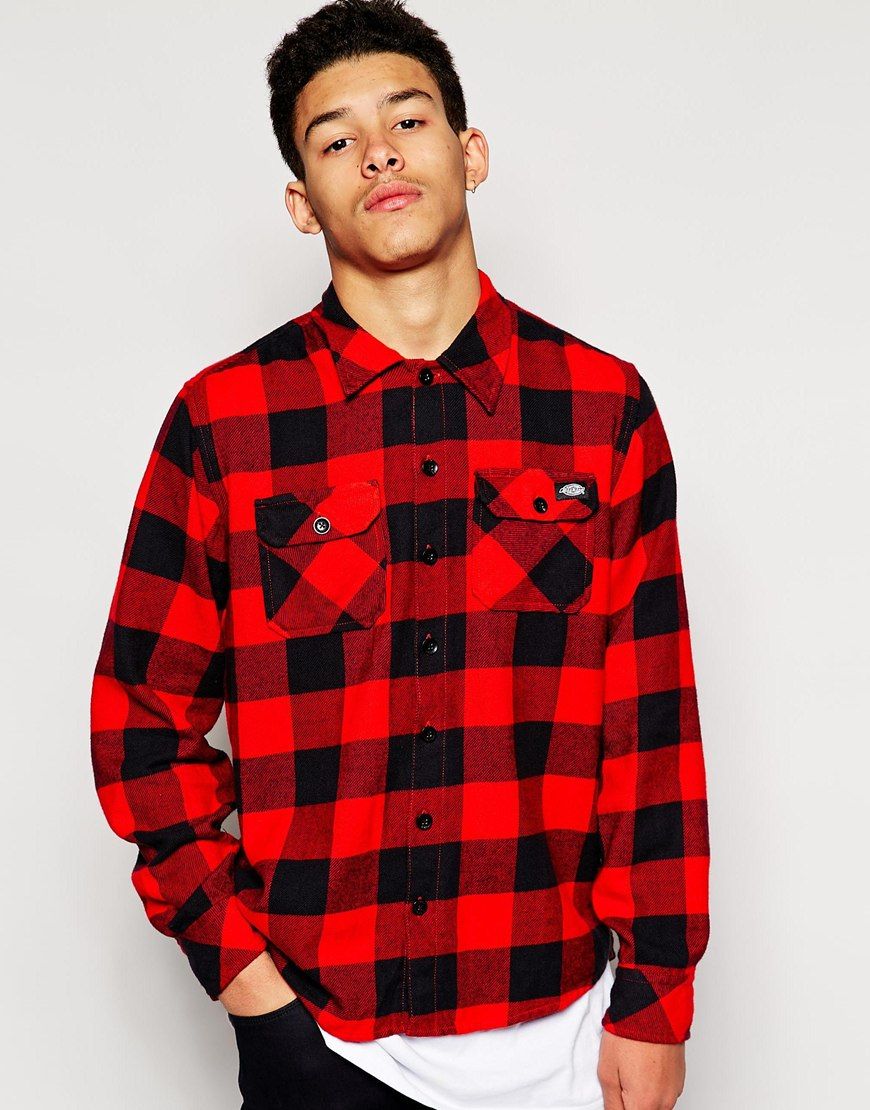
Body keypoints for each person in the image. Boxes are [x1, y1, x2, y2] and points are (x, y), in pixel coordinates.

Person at [89, 1, 711, 1107]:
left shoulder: (601, 410)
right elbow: (140, 723)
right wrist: (251, 992)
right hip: (325, 1041)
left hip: (570, 1034)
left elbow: (650, 726)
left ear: (471, 153)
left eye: (407, 120)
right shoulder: (224, 422)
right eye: (335, 140)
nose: (377, 152)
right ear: (302, 201)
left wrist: (657, 998)